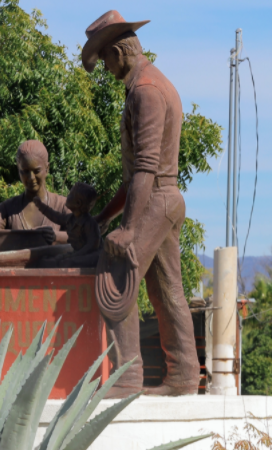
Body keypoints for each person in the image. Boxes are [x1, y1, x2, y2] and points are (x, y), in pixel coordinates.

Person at [83, 10, 199, 397]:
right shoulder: (152, 83)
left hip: (158, 198)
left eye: (105, 60)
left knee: (116, 276)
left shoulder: (145, 90)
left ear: (120, 52)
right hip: (165, 198)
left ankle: (128, 377)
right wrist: (104, 216)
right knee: (167, 291)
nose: (105, 68)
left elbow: (146, 167)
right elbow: (136, 176)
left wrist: (129, 228)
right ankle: (183, 375)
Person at [0, 140, 70, 246]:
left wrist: (55, 236)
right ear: (18, 171)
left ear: (47, 169)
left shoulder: (63, 206)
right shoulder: (8, 208)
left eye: (36, 171)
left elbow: (82, 236)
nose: (31, 177)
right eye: (25, 171)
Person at [33, 182, 102, 268]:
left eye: (70, 194)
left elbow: (92, 246)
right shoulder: (71, 218)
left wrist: (76, 255)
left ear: (78, 203)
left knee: (68, 263)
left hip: (92, 256)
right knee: (50, 261)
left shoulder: (90, 224)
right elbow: (55, 216)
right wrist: (40, 205)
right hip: (78, 253)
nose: (67, 196)